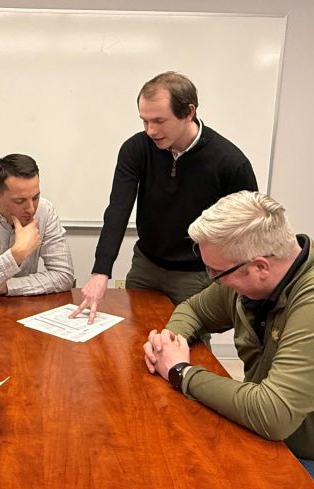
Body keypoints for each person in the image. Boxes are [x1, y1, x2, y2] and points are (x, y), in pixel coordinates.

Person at [143, 191, 314, 489]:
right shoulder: (249, 279)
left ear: (260, 266)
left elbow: (272, 414)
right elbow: (194, 310)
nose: (212, 279)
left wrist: (181, 372)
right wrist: (171, 341)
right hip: (274, 445)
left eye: (216, 272)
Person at [72, 71, 258, 323]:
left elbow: (248, 228)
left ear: (189, 112)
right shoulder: (136, 149)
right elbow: (118, 209)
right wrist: (100, 270)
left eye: (159, 120)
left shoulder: (229, 162)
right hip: (146, 266)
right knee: (136, 336)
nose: (150, 130)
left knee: (187, 344)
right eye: (144, 121)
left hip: (196, 275)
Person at [0, 154, 74, 303]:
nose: (31, 209)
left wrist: (8, 286)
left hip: (23, 306)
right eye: (20, 201)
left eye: (35, 197)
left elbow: (64, 275)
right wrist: (16, 255)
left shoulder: (45, 211)